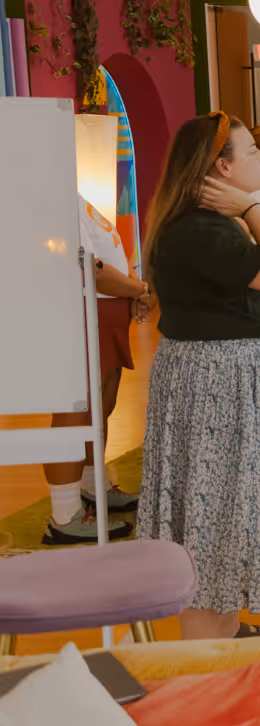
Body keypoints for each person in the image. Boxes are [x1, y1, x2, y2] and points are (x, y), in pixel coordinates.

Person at [137, 112, 260, 639]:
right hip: (222, 383)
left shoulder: (205, 223)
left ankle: (224, 629)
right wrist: (256, 208)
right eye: (251, 153)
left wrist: (250, 210)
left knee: (231, 504)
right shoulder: (203, 227)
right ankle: (204, 647)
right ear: (221, 166)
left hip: (229, 378)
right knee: (216, 509)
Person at [42, 196, 153, 545]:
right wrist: (140, 289)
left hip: (105, 310)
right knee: (77, 410)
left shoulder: (71, 192)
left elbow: (110, 254)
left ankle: (94, 488)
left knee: (99, 408)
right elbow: (90, 266)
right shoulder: (48, 195)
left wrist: (134, 288)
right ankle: (64, 515)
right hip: (81, 309)